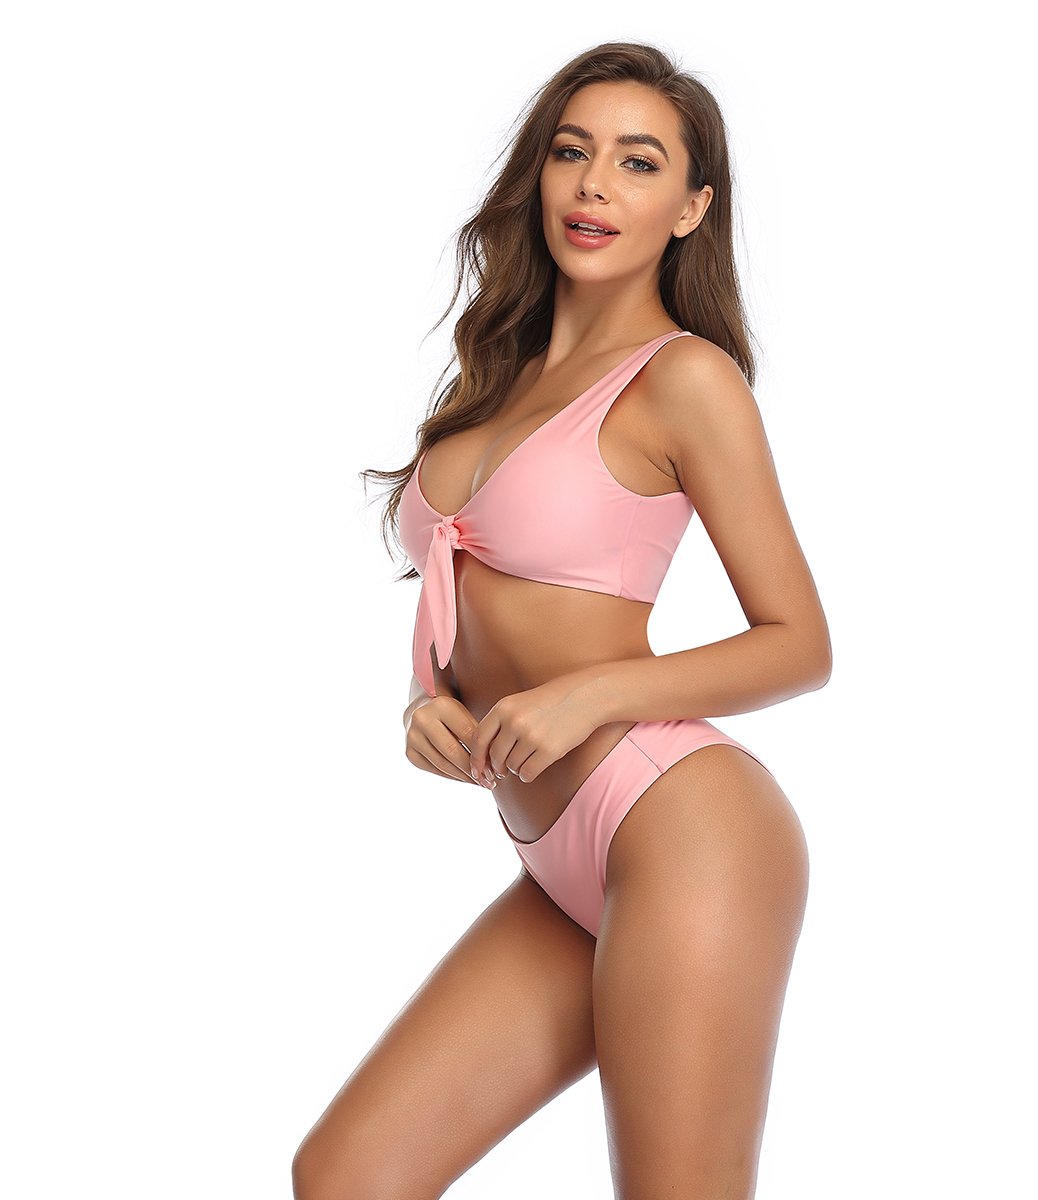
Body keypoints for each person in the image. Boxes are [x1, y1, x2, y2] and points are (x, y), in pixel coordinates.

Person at [293, 41, 831, 1200]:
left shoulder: (684, 380)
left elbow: (799, 643)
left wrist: (590, 695)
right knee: (349, 1176)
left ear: (692, 208)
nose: (593, 185)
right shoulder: (495, 376)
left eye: (639, 162)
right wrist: (426, 707)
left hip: (680, 825)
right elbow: (479, 598)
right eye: (572, 151)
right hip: (553, 854)